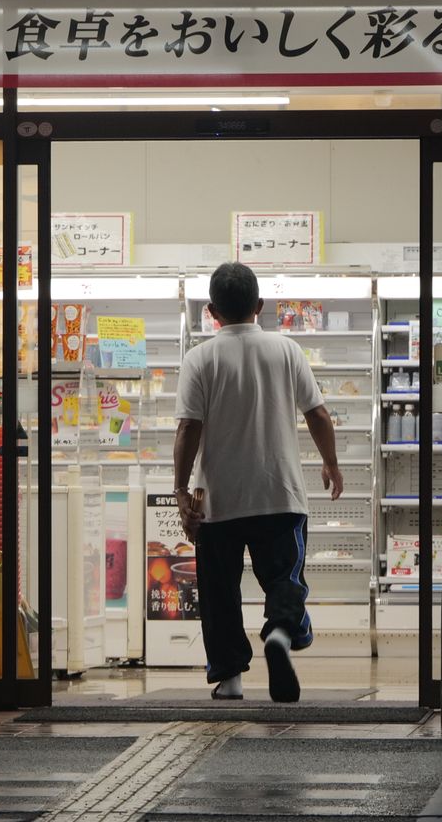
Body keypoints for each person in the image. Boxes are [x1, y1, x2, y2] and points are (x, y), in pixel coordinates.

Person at [175, 261, 342, 704]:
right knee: (285, 578)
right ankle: (281, 637)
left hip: (219, 500)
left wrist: (180, 492)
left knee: (219, 592)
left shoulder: (200, 358)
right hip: (280, 493)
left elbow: (187, 428)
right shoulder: (286, 349)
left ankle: (229, 679)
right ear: (260, 305)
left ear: (212, 310)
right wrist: (331, 464)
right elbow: (318, 414)